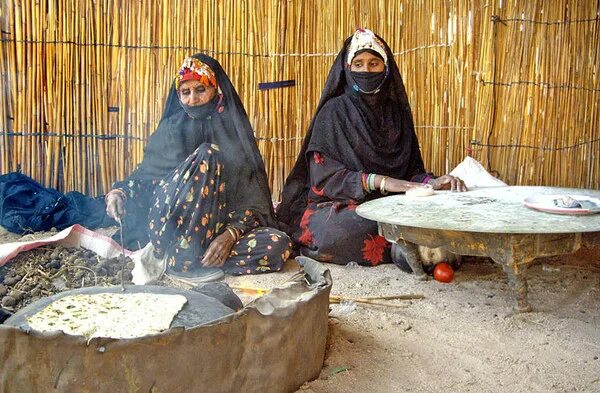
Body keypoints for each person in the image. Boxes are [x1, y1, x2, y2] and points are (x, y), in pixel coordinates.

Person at [277, 28, 466, 267]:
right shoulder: (334, 112)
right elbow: (323, 179)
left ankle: (411, 246)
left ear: (385, 69)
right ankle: (412, 247)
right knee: (340, 230)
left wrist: (432, 183)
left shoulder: (396, 114)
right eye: (358, 64)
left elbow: (411, 173)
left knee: (443, 208)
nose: (366, 70)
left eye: (374, 63)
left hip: (393, 204)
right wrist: (379, 181)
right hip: (344, 206)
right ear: (347, 69)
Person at [105, 54, 292, 282]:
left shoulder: (234, 130)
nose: (193, 99)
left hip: (218, 226)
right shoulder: (171, 128)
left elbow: (251, 197)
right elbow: (147, 178)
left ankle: (199, 258)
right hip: (172, 227)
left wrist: (230, 234)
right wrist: (120, 192)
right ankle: (182, 258)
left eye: (201, 89)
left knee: (278, 244)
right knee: (207, 154)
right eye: (186, 92)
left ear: (216, 90)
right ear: (179, 95)